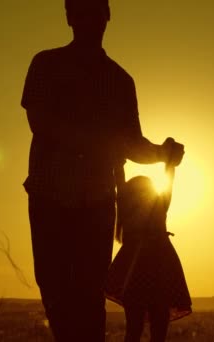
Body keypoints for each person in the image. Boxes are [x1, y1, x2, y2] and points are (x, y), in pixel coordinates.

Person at [21, 0, 185, 340]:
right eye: (80, 10)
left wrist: (161, 152)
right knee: (54, 290)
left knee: (89, 296)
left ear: (107, 16)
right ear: (68, 16)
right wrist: (100, 142)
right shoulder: (46, 64)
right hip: (50, 196)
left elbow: (131, 143)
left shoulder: (120, 81)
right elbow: (40, 122)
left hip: (95, 202)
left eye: (94, 10)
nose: (88, 19)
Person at [105, 158, 192, 342]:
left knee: (135, 329)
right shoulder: (157, 206)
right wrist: (169, 162)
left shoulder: (128, 207)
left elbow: (119, 177)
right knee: (154, 330)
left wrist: (118, 159)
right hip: (159, 270)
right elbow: (168, 179)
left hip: (141, 272)